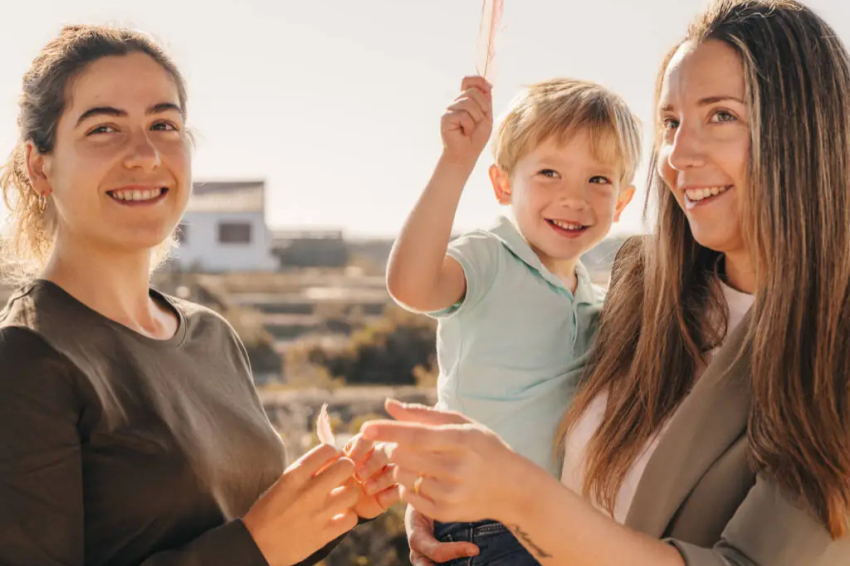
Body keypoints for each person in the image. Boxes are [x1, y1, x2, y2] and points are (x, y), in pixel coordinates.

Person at [365, 1, 850, 565]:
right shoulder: (641, 288)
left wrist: (514, 494)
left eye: (721, 115)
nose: (677, 154)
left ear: (803, 133)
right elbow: (520, 381)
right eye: (671, 122)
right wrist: (455, 497)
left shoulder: (833, 351)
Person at [0, 25, 398, 566]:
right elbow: (252, 548)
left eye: (163, 124)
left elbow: (246, 538)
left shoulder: (211, 334)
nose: (144, 154)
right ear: (39, 166)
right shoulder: (25, 358)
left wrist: (332, 507)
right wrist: (258, 545)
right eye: (103, 128)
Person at [386, 76, 639, 564]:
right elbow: (411, 286)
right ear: (503, 183)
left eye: (598, 179)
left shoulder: (595, 299)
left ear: (623, 201)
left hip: (558, 523)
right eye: (549, 173)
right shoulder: (490, 256)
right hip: (483, 524)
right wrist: (455, 161)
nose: (574, 198)